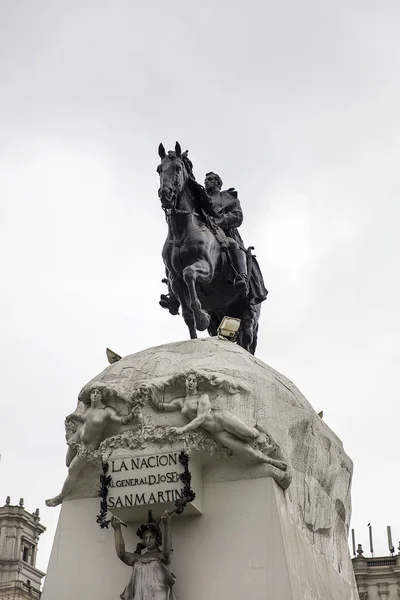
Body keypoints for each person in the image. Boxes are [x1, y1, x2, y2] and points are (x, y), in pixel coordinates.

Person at [151, 373, 288, 481]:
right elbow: (161, 407)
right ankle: (272, 462)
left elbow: (200, 418)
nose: (191, 382)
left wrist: (182, 429)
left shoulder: (202, 397)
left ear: (197, 383)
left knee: (250, 435)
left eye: (193, 380)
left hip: (221, 419)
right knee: (245, 450)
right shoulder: (180, 402)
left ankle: (264, 435)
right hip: (216, 433)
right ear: (185, 381)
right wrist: (148, 391)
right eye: (188, 380)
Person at [45, 387, 137, 507]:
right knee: (67, 463)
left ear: (101, 397)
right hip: (78, 442)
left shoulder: (106, 411)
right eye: (93, 393)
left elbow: (120, 419)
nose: (95, 395)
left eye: (97, 393)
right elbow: (82, 418)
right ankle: (71, 486)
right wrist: (72, 416)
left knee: (72, 469)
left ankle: (61, 496)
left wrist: (130, 416)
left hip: (90, 448)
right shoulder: (88, 409)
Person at [203, 172, 268, 303]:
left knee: (232, 244)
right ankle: (174, 292)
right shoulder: (199, 199)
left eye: (210, 179)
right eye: (205, 180)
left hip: (223, 233)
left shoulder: (228, 198)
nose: (206, 182)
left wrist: (217, 222)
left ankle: (242, 277)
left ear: (217, 183)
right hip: (202, 232)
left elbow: (237, 216)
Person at [111, 511, 176, 600]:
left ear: (157, 538)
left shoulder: (162, 557)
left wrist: (166, 525)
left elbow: (167, 551)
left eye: (151, 537)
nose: (148, 540)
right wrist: (117, 529)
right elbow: (121, 554)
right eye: (145, 538)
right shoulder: (138, 558)